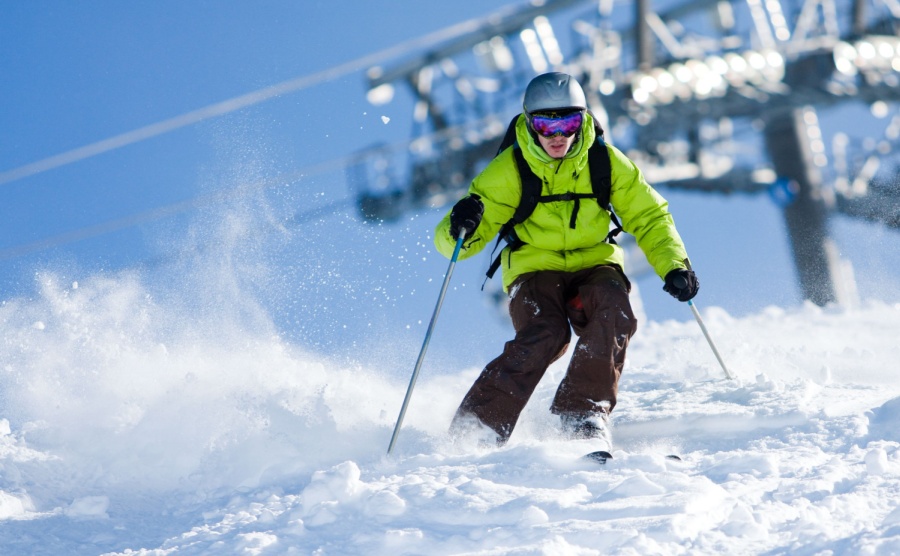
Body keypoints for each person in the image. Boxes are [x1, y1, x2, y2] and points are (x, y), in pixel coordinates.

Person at [433, 72, 699, 448]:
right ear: (529, 123)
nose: (557, 136)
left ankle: (582, 413)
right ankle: (478, 426)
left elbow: (649, 215)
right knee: (547, 332)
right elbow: (454, 245)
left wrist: (674, 264)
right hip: (533, 267)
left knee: (614, 310)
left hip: (594, 262)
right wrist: (463, 222)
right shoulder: (510, 169)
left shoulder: (604, 162)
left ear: (583, 120)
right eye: (545, 124)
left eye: (569, 123)